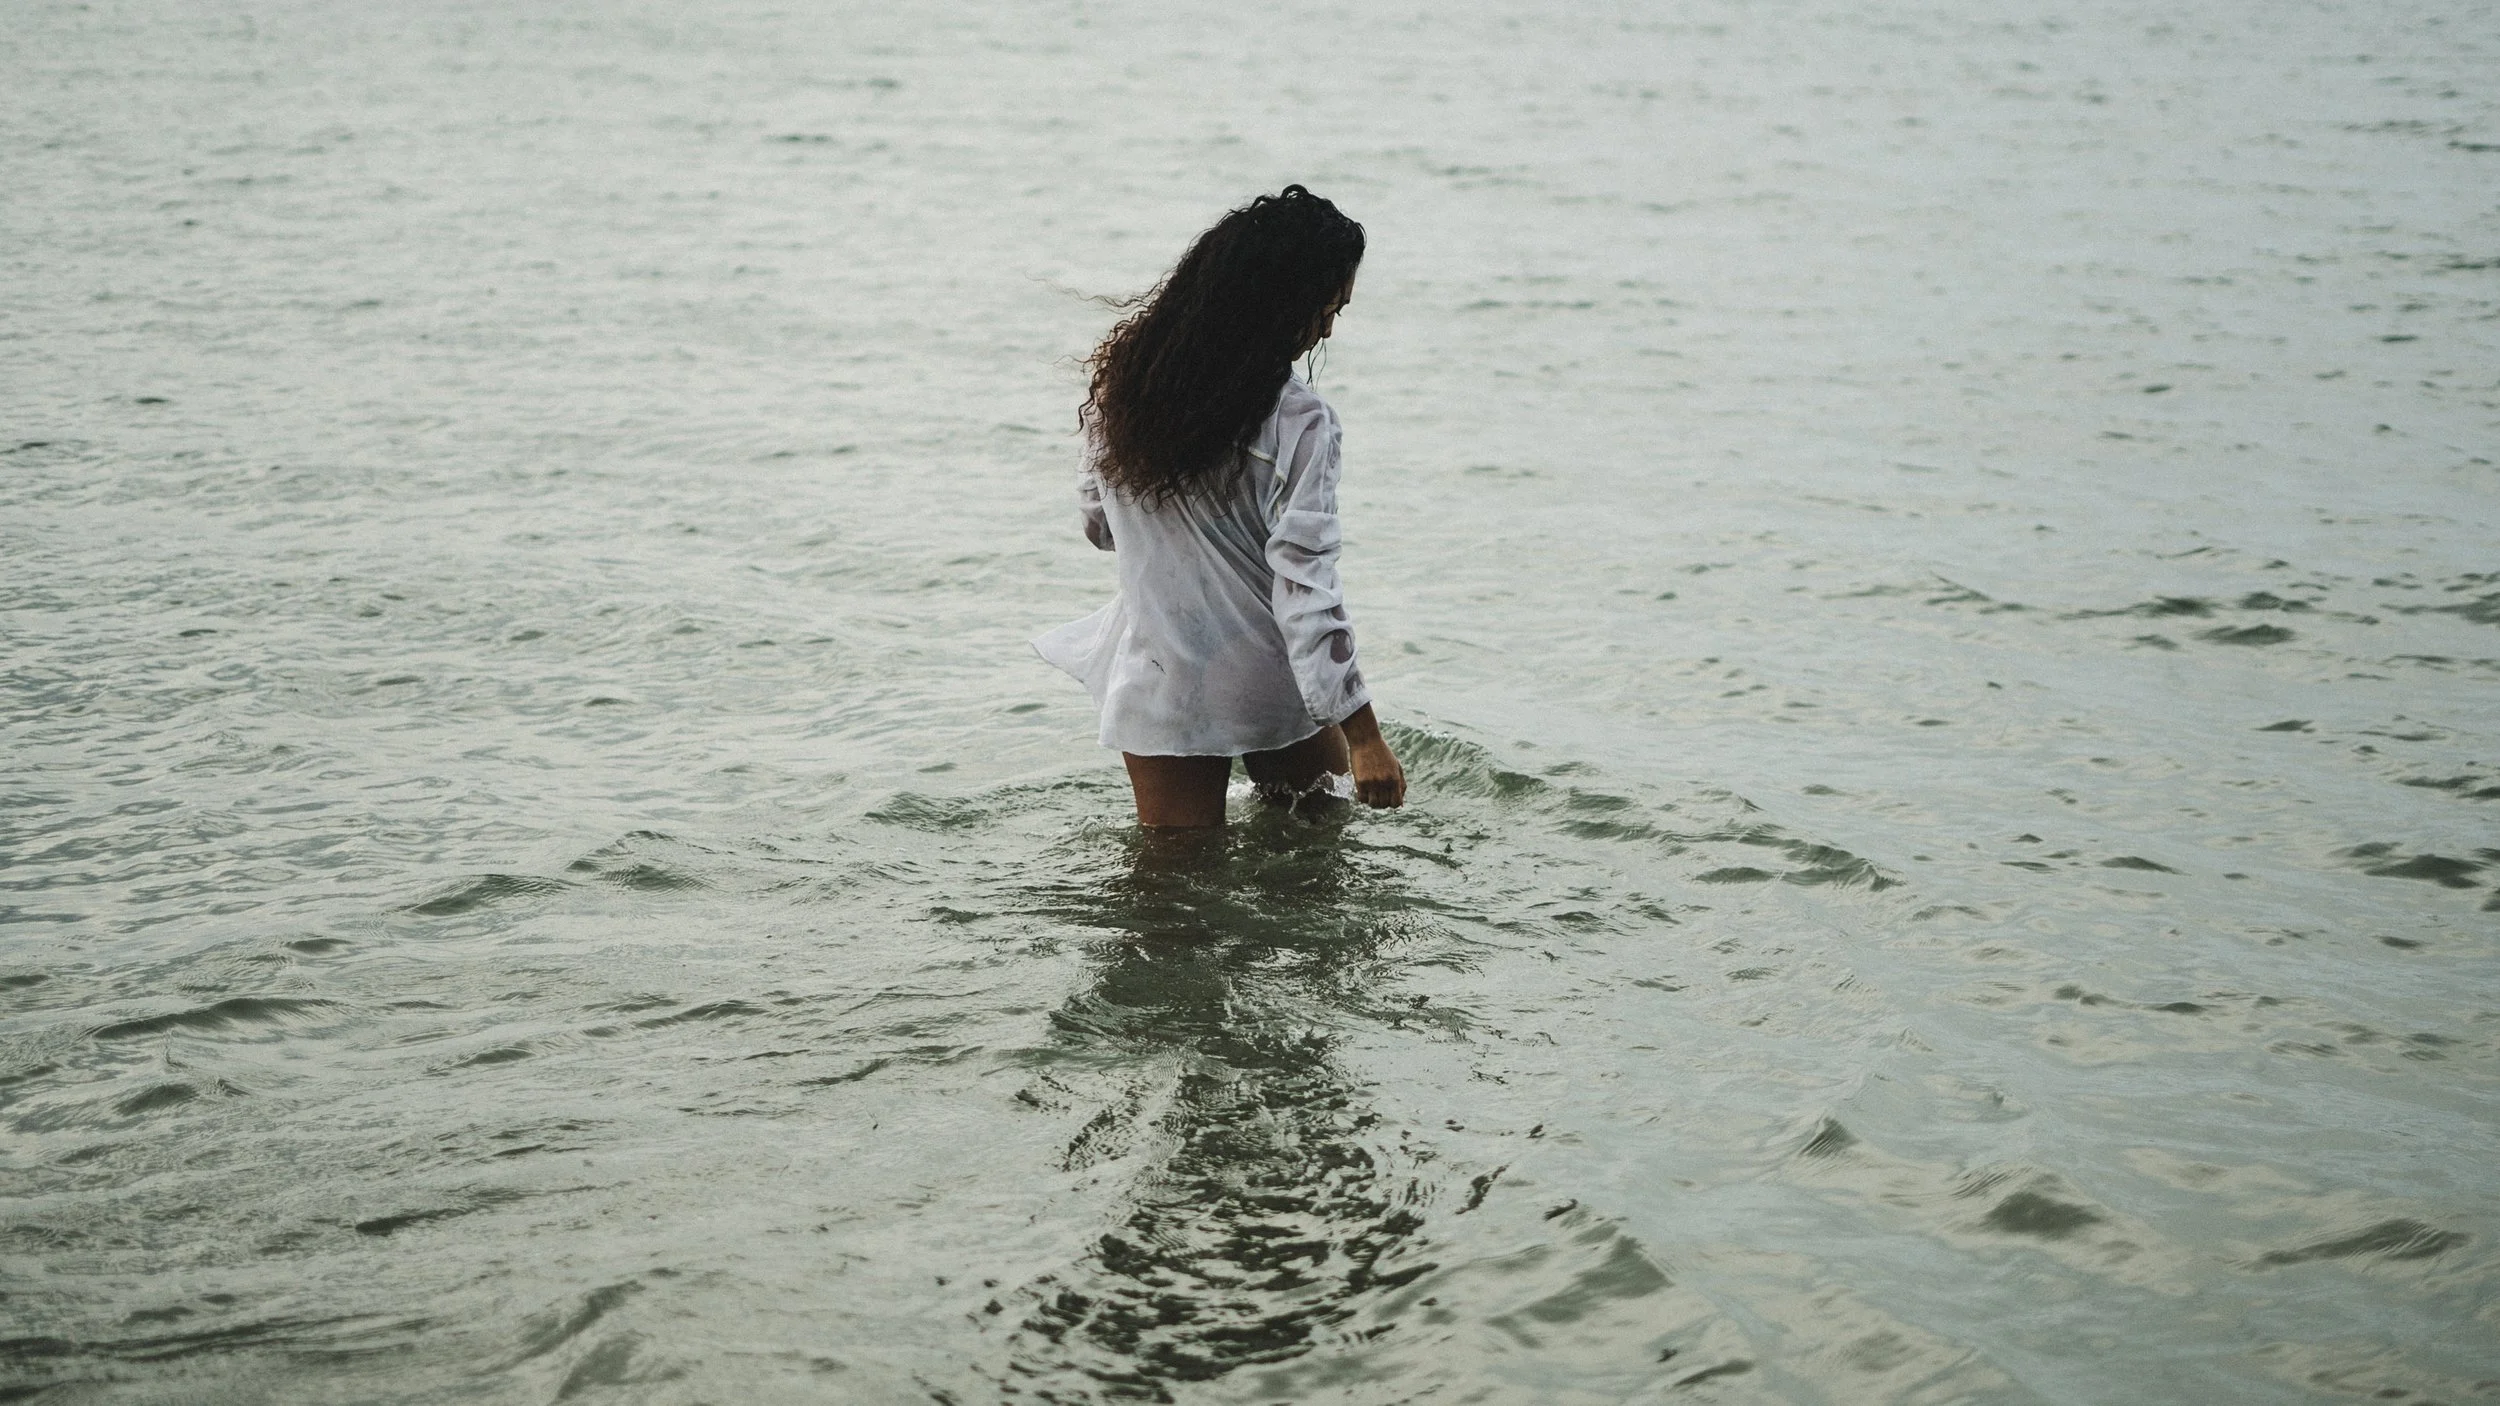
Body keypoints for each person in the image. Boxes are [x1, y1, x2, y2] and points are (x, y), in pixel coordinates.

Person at [1034, 185, 1406, 828]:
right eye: (1326, 309)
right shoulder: (1300, 423)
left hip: (1162, 669)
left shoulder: (1125, 391)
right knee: (1320, 864)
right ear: (1282, 304)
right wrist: (1365, 735)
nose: (1325, 328)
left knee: (1169, 895)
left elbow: (1100, 527)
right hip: (1262, 672)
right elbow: (1306, 587)